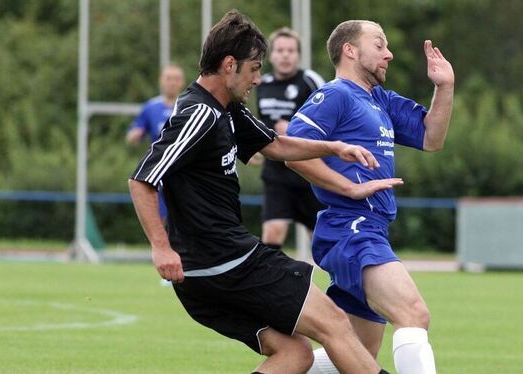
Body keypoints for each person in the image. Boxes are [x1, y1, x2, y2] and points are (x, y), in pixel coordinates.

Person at [128, 10, 389, 374]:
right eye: (253, 68)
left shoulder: (228, 109)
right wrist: (160, 247)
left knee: (295, 355)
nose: (257, 78)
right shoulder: (198, 113)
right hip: (226, 261)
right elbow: (142, 179)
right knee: (333, 322)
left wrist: (333, 148)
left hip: (206, 274)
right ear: (229, 65)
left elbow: (277, 146)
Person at [286, 20, 455, 374]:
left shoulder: (379, 99)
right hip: (351, 226)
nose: (389, 53)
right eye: (379, 44)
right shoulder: (335, 95)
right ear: (350, 50)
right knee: (413, 313)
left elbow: (431, 138)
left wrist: (445, 87)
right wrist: (348, 187)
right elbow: (292, 150)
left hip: (370, 228)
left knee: (357, 352)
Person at [255, 27, 326, 251]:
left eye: (291, 50)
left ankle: (338, 284)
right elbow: (258, 123)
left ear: (298, 55)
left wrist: (295, 129)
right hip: (276, 172)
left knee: (321, 238)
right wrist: (255, 146)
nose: (286, 55)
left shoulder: (311, 81)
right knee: (272, 231)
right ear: (271, 55)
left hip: (309, 171)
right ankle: (269, 284)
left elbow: (329, 120)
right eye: (280, 50)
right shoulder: (261, 85)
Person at [126, 63, 185, 220]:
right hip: (159, 170)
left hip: (184, 170)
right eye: (168, 78)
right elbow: (133, 132)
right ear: (161, 81)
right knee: (160, 218)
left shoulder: (188, 106)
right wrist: (134, 135)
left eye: (176, 79)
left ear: (182, 82)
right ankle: (162, 244)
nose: (172, 82)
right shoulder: (151, 107)